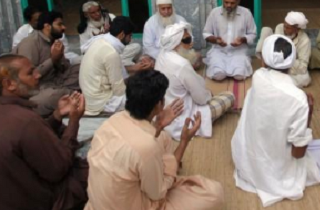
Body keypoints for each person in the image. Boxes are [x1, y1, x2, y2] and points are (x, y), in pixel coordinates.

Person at [232, 34, 320, 207]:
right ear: (292, 62)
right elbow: (298, 154)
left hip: (248, 160)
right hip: (276, 173)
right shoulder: (297, 98)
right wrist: (308, 113)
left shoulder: (258, 76)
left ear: (264, 61)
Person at [85, 70, 224, 210]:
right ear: (159, 104)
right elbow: (158, 193)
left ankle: (162, 171)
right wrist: (183, 142)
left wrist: (158, 126)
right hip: (140, 202)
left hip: (101, 204)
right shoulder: (146, 147)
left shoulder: (111, 121)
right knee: (214, 193)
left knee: (164, 138)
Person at [0, 55, 88, 210]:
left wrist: (57, 115)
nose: (38, 75)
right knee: (91, 171)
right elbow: (59, 169)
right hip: (23, 203)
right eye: (30, 73)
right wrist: (74, 121)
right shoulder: (25, 120)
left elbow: (31, 140)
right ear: (9, 84)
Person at [155, 22, 234, 140]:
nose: (191, 43)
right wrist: (208, 94)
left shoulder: (162, 54)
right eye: (186, 40)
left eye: (190, 38)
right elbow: (201, 99)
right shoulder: (181, 64)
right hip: (181, 119)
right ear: (176, 44)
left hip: (163, 111)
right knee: (229, 96)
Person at [80, 16, 153, 116]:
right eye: (130, 36)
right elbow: (119, 90)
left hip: (93, 96)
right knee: (146, 97)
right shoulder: (110, 53)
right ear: (122, 34)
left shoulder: (102, 42)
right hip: (100, 102)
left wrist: (136, 70)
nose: (131, 40)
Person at [13, 11, 80, 116]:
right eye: (59, 24)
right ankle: (70, 95)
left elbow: (65, 69)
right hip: (37, 89)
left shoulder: (55, 41)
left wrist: (58, 60)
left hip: (56, 82)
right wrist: (52, 60)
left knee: (82, 69)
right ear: (47, 26)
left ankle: (70, 94)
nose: (64, 27)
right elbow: (28, 77)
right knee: (53, 96)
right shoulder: (30, 43)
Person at [203, 0, 257, 80]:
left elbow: (252, 34)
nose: (228, 5)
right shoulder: (214, 13)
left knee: (239, 76)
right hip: (219, 51)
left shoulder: (246, 13)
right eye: (226, 2)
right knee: (218, 76)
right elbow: (206, 34)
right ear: (222, 0)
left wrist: (243, 40)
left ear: (238, 1)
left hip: (239, 52)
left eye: (232, 3)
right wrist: (216, 40)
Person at [142, 0, 202, 69]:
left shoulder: (180, 20)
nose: (166, 12)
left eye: (169, 8)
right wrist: (165, 57)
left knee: (198, 57)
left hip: (178, 53)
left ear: (172, 8)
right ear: (158, 9)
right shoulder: (150, 23)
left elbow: (189, 37)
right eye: (163, 9)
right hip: (158, 55)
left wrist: (188, 43)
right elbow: (148, 47)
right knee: (144, 62)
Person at [256, 11, 312, 87]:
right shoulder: (280, 27)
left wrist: (286, 62)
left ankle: (273, 78)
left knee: (305, 79)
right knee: (266, 30)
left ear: (297, 29)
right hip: (274, 59)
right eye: (284, 25)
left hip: (288, 66)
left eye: (288, 27)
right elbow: (275, 47)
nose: (284, 28)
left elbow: (303, 66)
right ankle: (264, 70)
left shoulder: (305, 41)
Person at [78, 0, 142, 67]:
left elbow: (125, 37)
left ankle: (120, 62)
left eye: (98, 10)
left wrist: (110, 32)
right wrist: (98, 39)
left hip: (118, 49)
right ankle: (123, 63)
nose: (97, 13)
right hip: (101, 54)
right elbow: (84, 51)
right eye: (93, 13)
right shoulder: (84, 28)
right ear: (86, 14)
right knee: (81, 59)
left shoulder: (110, 17)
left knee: (136, 47)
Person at [12, 6, 80, 65]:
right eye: (37, 20)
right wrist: (52, 60)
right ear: (29, 21)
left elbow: (66, 52)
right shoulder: (26, 38)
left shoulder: (55, 33)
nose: (41, 21)